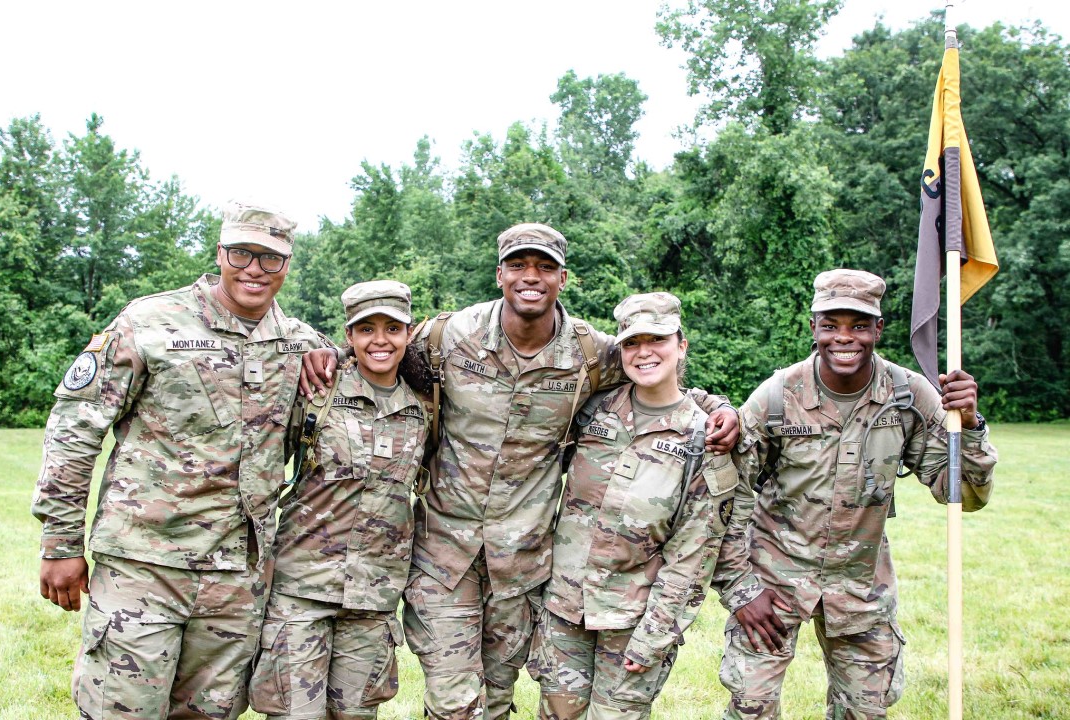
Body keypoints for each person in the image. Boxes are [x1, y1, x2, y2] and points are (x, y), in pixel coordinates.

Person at [300, 223, 740, 719]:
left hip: (523, 566)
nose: (531, 277)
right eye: (518, 265)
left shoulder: (590, 354)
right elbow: (380, 350)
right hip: (444, 557)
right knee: (455, 706)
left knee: (498, 701)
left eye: (545, 267)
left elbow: (657, 377)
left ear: (563, 278)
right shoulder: (448, 337)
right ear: (499, 274)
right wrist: (327, 355)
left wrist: (720, 407)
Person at [32, 200, 329, 720]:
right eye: (241, 253)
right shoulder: (150, 322)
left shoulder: (300, 342)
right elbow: (75, 430)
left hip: (236, 577)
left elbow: (371, 372)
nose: (254, 269)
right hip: (144, 565)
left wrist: (332, 357)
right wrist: (60, 541)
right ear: (220, 252)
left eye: (271, 258)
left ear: (287, 264)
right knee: (120, 711)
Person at [713, 269, 998, 719]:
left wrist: (971, 423)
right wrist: (742, 591)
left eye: (859, 326)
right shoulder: (777, 396)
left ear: (878, 329)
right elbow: (725, 500)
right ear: (813, 329)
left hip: (860, 585)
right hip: (774, 578)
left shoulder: (906, 395)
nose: (844, 338)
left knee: (864, 712)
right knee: (751, 706)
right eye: (831, 325)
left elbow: (962, 492)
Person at [527, 292, 746, 720]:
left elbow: (693, 553)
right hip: (563, 610)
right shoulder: (593, 410)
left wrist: (656, 635)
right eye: (631, 342)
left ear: (681, 344)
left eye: (657, 340)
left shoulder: (706, 438)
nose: (644, 352)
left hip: (633, 621)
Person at [248, 280, 429, 719]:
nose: (380, 340)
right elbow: (261, 468)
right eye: (366, 329)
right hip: (302, 588)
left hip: (374, 593)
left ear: (408, 334)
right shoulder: (315, 390)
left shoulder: (425, 403)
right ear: (348, 336)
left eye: (392, 328)